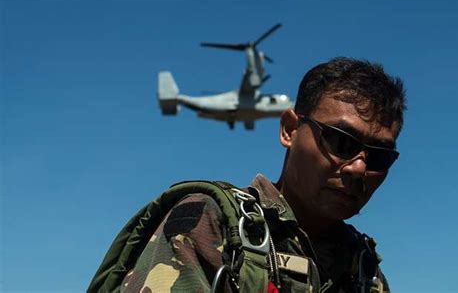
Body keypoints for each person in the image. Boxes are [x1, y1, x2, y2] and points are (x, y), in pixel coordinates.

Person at [115, 57, 407, 292]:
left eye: (379, 156)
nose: (358, 168)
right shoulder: (212, 223)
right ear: (290, 130)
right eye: (341, 141)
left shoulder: (363, 270)